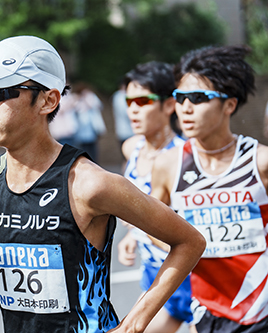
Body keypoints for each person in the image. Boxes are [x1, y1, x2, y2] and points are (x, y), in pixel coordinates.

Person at [0, 35, 205, 333]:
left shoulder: (89, 183)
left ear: (49, 100)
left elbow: (189, 241)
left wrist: (132, 326)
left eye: (2, 91)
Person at [151, 45, 268, 332]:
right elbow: (151, 228)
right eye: (180, 98)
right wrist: (190, 248)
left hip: (263, 308)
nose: (185, 108)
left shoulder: (260, 161)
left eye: (199, 98)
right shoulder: (168, 165)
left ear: (229, 104)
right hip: (207, 310)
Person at [116, 61, 191, 333]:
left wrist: (141, 228)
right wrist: (131, 236)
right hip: (152, 271)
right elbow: (145, 206)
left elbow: (183, 224)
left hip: (185, 274)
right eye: (128, 102)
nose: (133, 110)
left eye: (142, 101)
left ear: (169, 105)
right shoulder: (131, 149)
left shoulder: (185, 158)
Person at [71, 82, 106, 163]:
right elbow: (74, 110)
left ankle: (94, 162)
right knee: (83, 148)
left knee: (93, 148)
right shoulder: (76, 99)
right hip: (80, 129)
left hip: (91, 128)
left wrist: (86, 99)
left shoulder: (91, 97)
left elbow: (98, 106)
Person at [112, 82, 133, 147]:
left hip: (121, 130)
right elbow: (126, 113)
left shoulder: (116, 96)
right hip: (129, 131)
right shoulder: (123, 96)